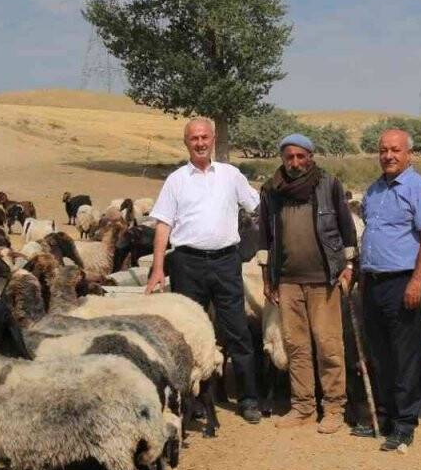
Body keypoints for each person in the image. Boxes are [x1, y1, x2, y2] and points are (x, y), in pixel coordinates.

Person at [146, 118, 264, 424]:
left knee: (237, 330)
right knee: (187, 333)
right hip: (187, 263)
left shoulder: (231, 175)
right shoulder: (176, 180)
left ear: (212, 139)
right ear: (186, 142)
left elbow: (257, 207)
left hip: (226, 262)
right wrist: (157, 268)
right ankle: (193, 400)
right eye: (194, 138)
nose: (200, 143)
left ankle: (249, 398)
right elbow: (163, 224)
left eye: (204, 137)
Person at [256, 133, 358, 434]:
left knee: (329, 345)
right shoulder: (271, 190)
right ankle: (303, 406)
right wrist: (267, 278)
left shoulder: (328, 185)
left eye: (301, 156)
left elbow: (346, 228)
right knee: (296, 345)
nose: (295, 162)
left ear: (310, 157)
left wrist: (348, 267)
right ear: (283, 158)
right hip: (287, 280)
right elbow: (264, 237)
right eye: (290, 157)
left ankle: (334, 408)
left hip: (324, 279)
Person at [356, 128, 421, 452]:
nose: (388, 156)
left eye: (395, 150)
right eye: (383, 150)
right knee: (379, 353)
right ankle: (383, 417)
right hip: (373, 282)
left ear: (409, 154)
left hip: (404, 282)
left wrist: (417, 281)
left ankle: (404, 424)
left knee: (404, 355)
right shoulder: (374, 190)